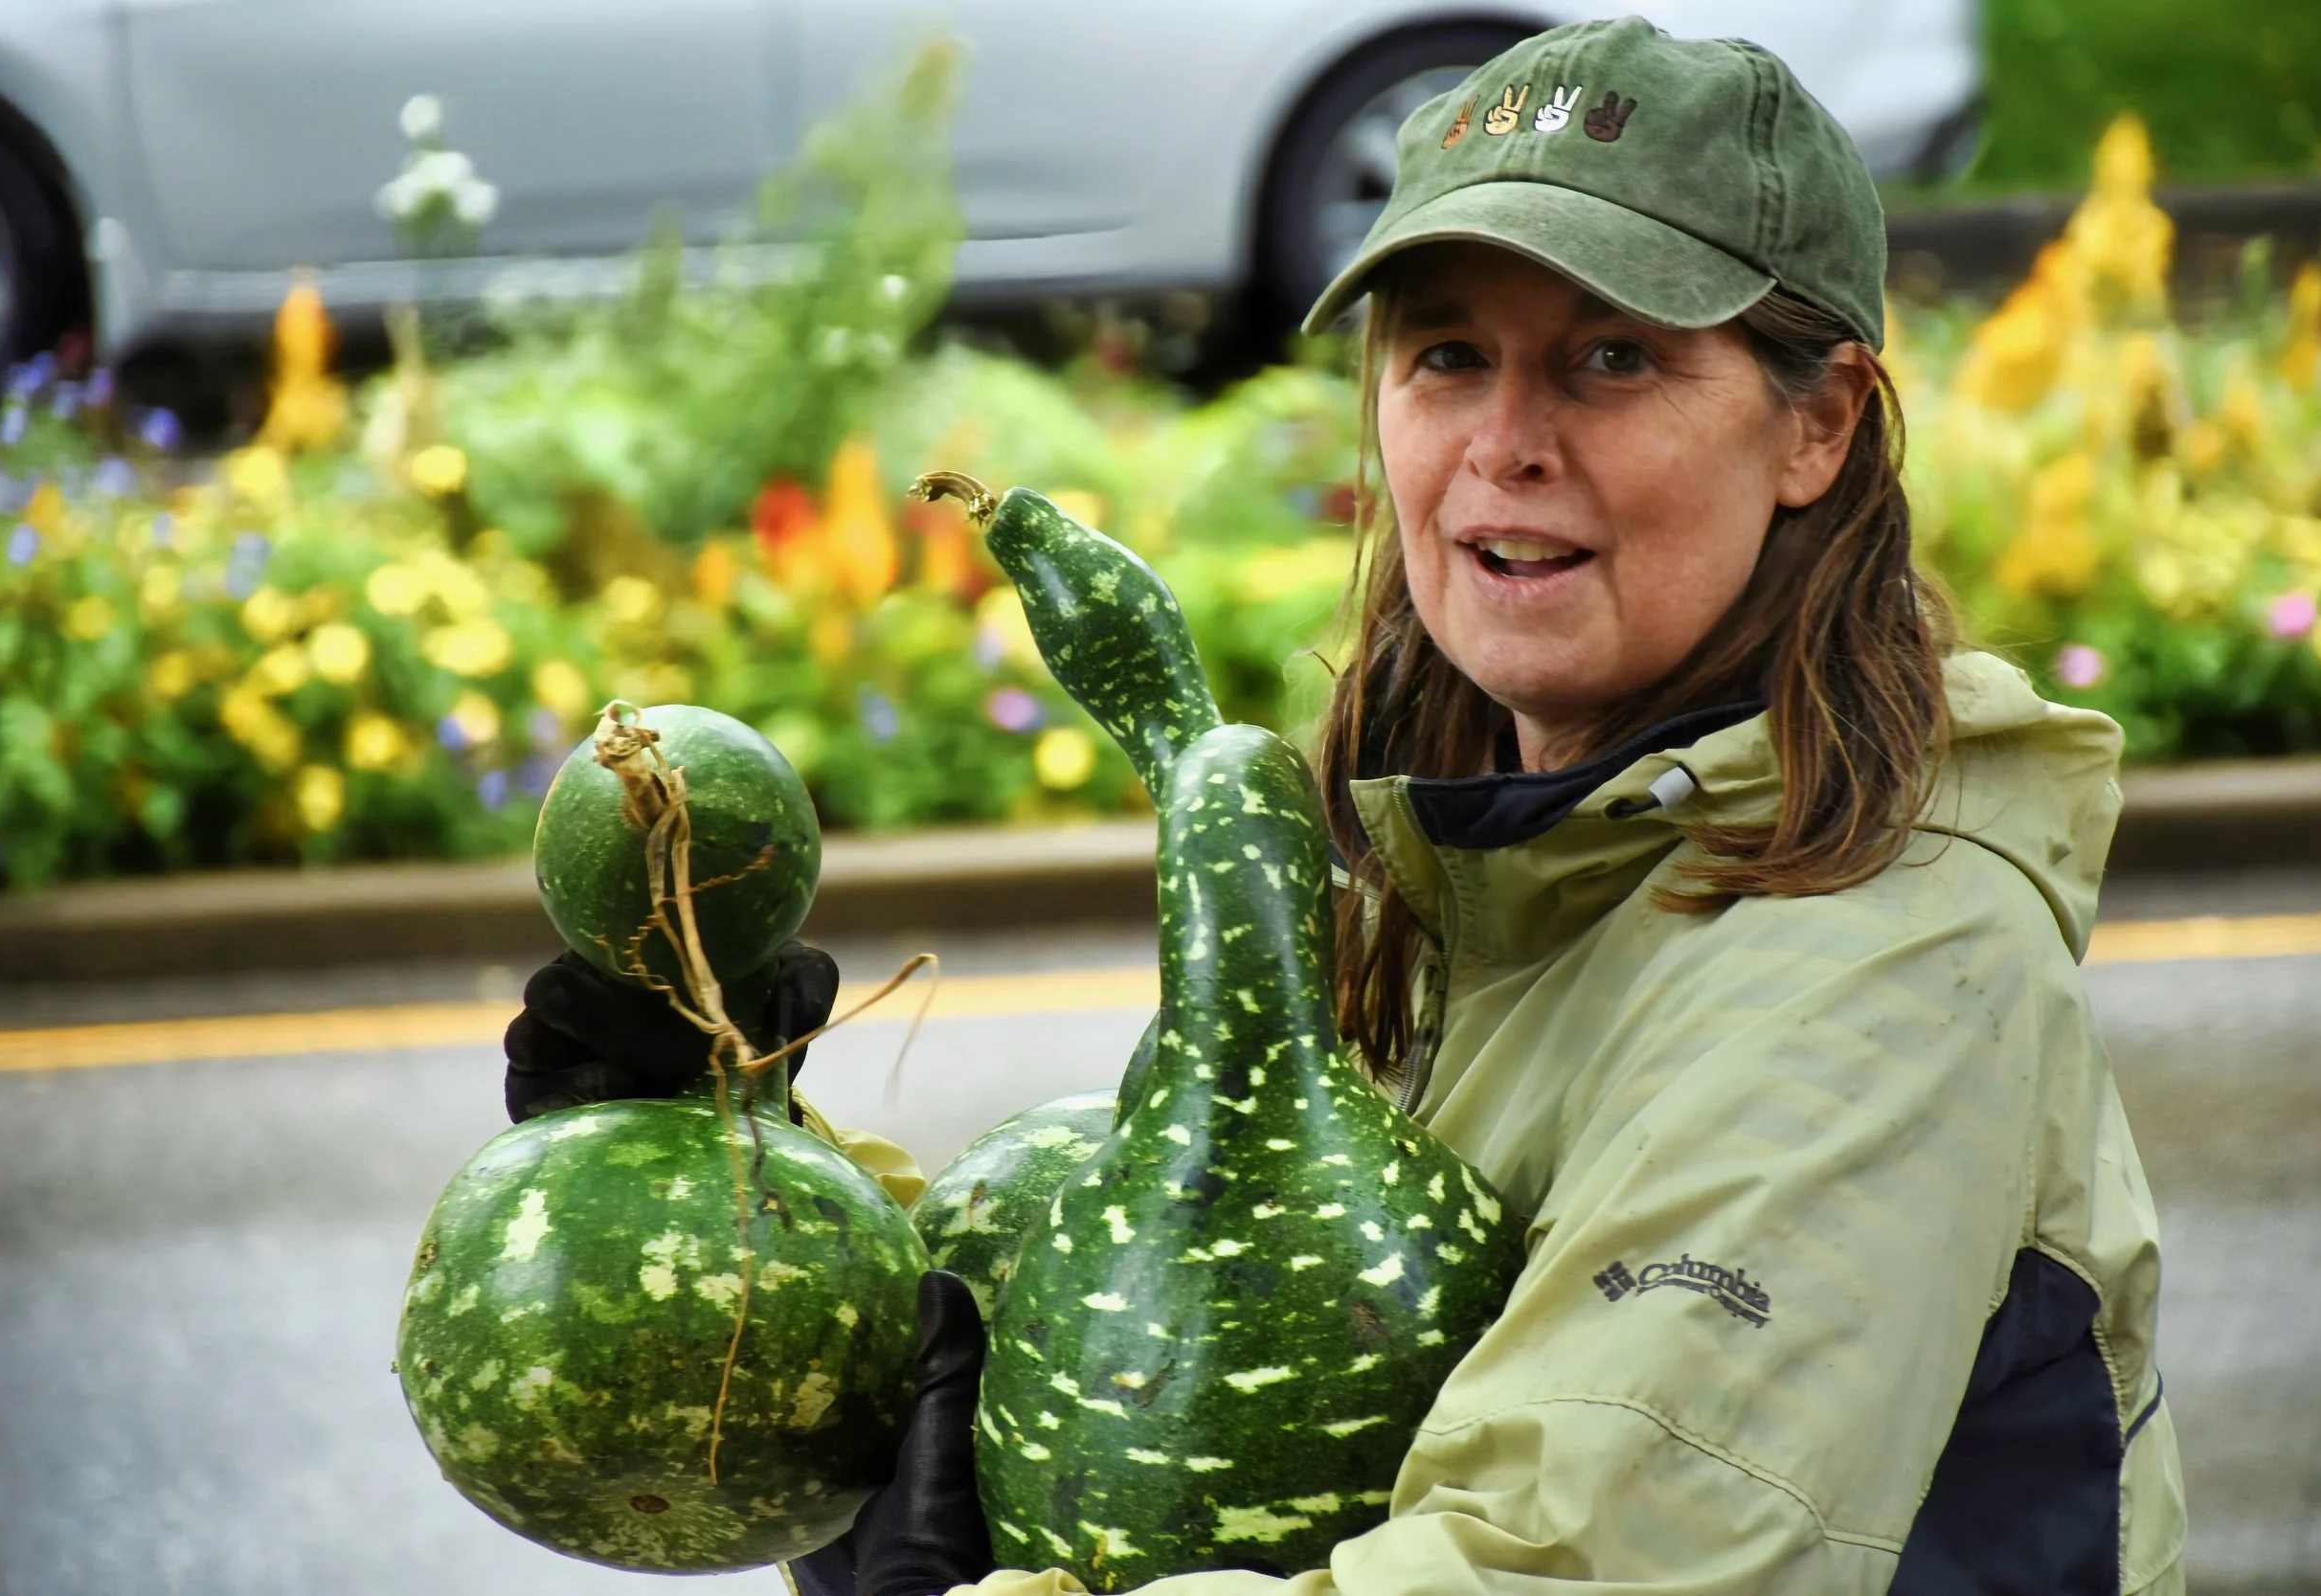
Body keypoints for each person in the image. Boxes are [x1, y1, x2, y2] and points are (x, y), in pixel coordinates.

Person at [505, 17, 2185, 1595]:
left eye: (1612, 357)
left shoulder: (1880, 968)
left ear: (1817, 424)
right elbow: (1209, 1374)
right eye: (1448, 355)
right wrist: (764, 1201)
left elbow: (1557, 1557)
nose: (1505, 443)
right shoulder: (1496, 865)